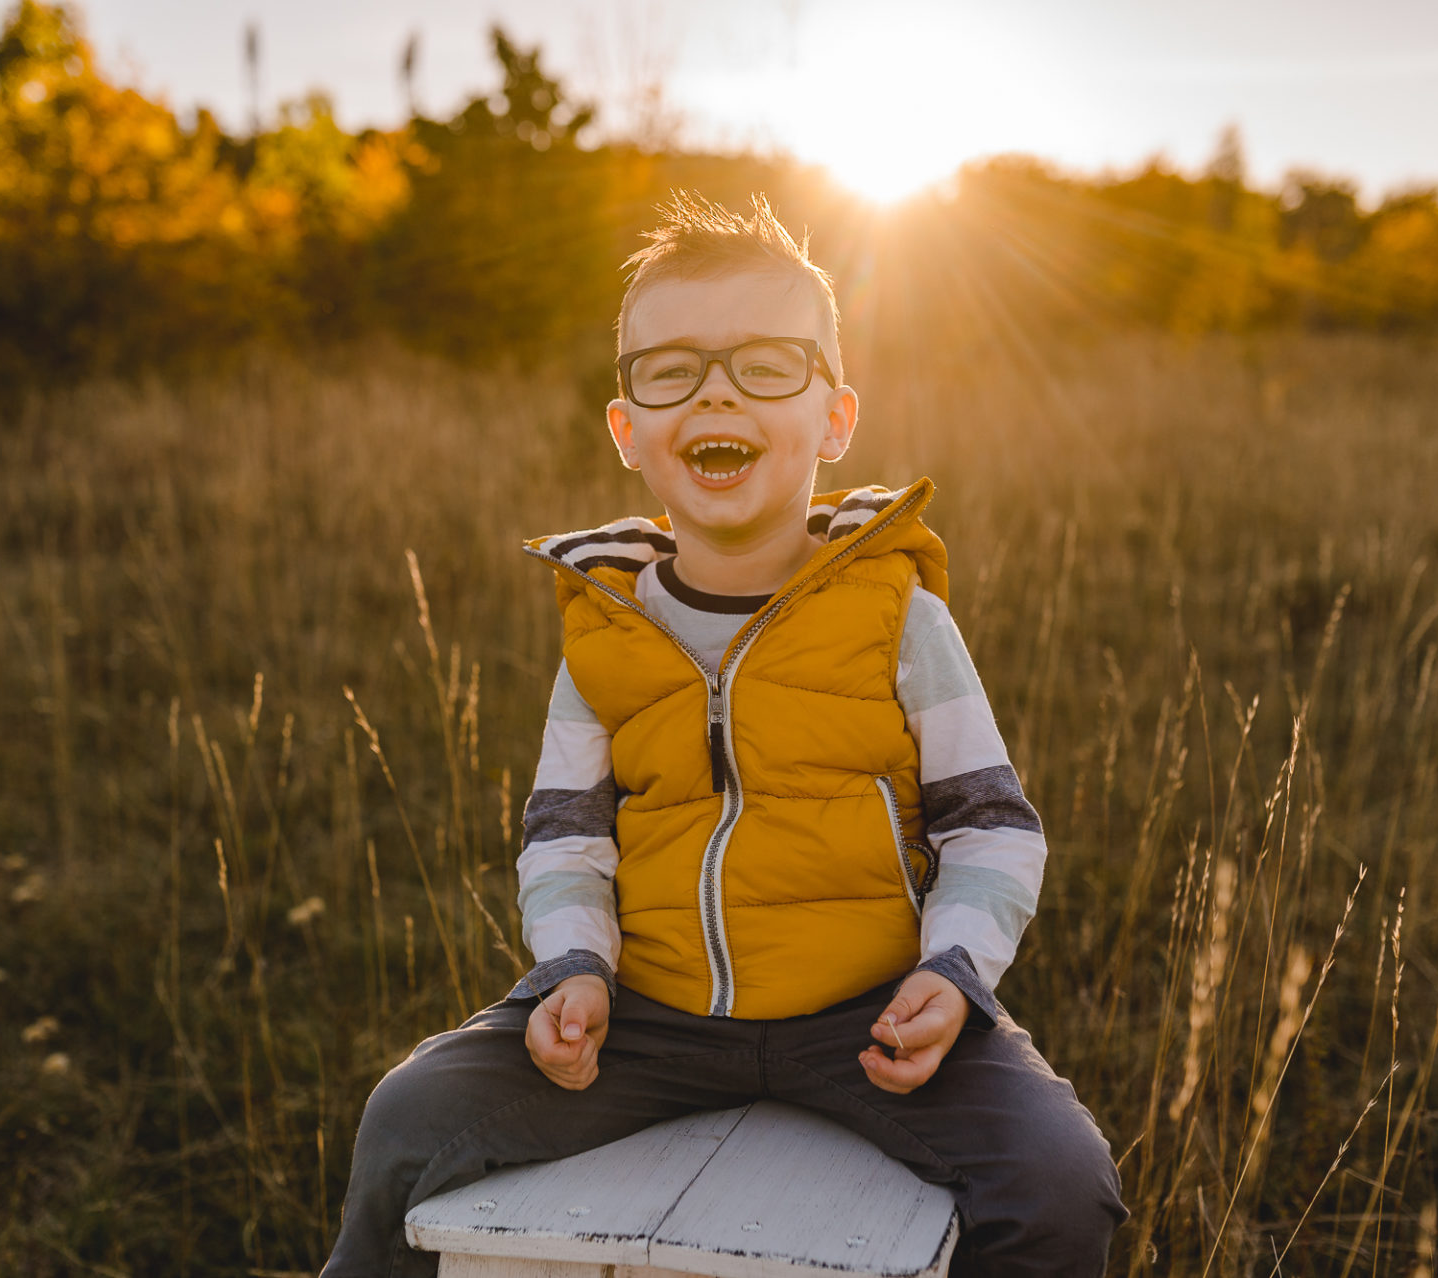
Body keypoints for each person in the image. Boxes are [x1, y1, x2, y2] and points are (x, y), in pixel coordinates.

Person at [318, 192, 1126, 1277]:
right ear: (629, 432)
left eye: (765, 364)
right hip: (649, 1017)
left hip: (869, 1014)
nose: (715, 391)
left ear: (835, 418)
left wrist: (953, 973)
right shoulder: (605, 629)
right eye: (672, 370)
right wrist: (575, 970)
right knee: (408, 1117)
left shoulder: (899, 617)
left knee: (1059, 1183)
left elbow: (992, 826)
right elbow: (566, 836)